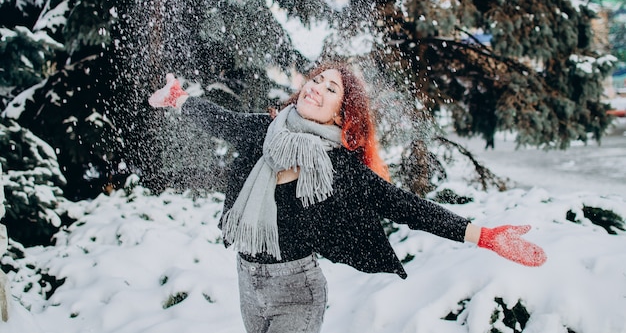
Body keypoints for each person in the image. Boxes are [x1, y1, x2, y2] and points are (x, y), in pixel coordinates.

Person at [148, 62, 546, 333]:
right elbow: (222, 121)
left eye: (330, 87)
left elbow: (405, 206)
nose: (316, 87)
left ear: (342, 114)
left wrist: (485, 236)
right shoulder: (265, 131)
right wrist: (178, 98)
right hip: (247, 280)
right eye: (316, 79)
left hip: (296, 291)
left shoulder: (340, 167)